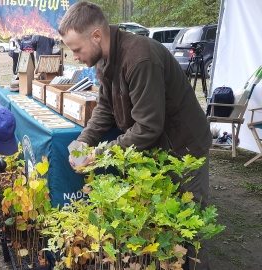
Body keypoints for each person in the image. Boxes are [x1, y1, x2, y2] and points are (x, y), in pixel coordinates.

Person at [59, 2, 212, 270]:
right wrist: (83, 141)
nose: (75, 57)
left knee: (186, 231)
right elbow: (105, 108)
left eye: (76, 49)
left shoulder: (140, 58)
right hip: (157, 149)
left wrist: (100, 154)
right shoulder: (104, 59)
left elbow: (148, 126)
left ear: (96, 36)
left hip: (184, 149)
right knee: (159, 230)